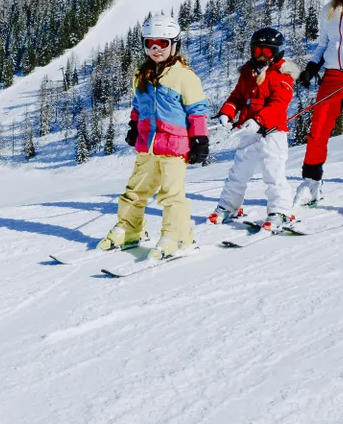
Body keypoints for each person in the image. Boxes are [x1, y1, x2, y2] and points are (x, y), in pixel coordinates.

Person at [98, 14, 209, 260]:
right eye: (150, 43)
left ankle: (177, 236)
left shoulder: (185, 76)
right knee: (135, 190)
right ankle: (129, 230)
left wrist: (200, 140)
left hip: (174, 146)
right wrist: (133, 126)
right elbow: (138, 106)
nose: (156, 49)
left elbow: (197, 111)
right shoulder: (141, 74)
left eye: (162, 42)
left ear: (174, 44)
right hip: (147, 145)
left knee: (171, 194)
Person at [208, 28, 299, 229]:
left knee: (273, 172)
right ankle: (228, 206)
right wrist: (227, 113)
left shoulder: (283, 75)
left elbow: (278, 104)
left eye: (267, 52)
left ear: (277, 53)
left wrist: (259, 120)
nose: (261, 56)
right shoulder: (248, 73)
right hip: (248, 133)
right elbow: (237, 97)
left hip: (272, 133)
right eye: (257, 50)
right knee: (239, 171)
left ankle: (280, 210)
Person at [295, 0, 343, 206]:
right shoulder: (329, 10)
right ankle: (311, 182)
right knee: (319, 128)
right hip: (334, 76)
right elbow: (324, 44)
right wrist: (312, 67)